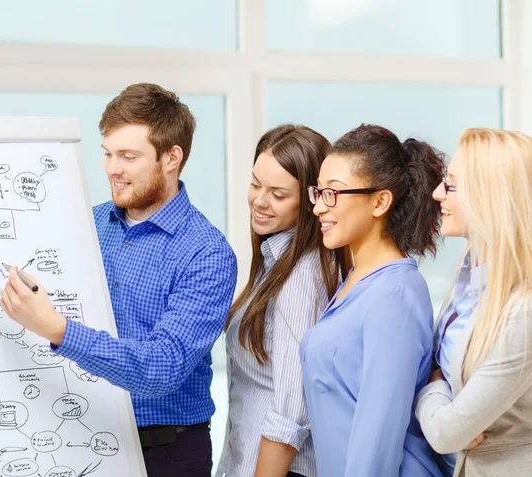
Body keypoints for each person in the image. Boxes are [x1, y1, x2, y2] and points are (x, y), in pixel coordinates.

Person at [0, 83, 238, 477]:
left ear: (171, 157)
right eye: (108, 154)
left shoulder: (206, 253)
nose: (112, 168)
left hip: (165, 452)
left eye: (128, 156)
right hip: (81, 435)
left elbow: (163, 368)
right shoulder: (88, 224)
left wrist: (56, 329)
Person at [300, 124, 444, 477]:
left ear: (380, 201)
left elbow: (378, 437)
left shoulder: (395, 295)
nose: (319, 207)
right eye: (318, 193)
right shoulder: (356, 280)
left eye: (333, 194)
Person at [216, 125, 350, 477]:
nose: (259, 201)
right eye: (256, 184)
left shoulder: (301, 277)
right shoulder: (276, 260)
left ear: (311, 201)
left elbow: (292, 407)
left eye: (277, 193)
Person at [416, 128, 532, 477]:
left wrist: (432, 386)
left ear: (490, 197)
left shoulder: (522, 313)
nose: (438, 193)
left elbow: (446, 432)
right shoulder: (470, 277)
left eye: (451, 185)